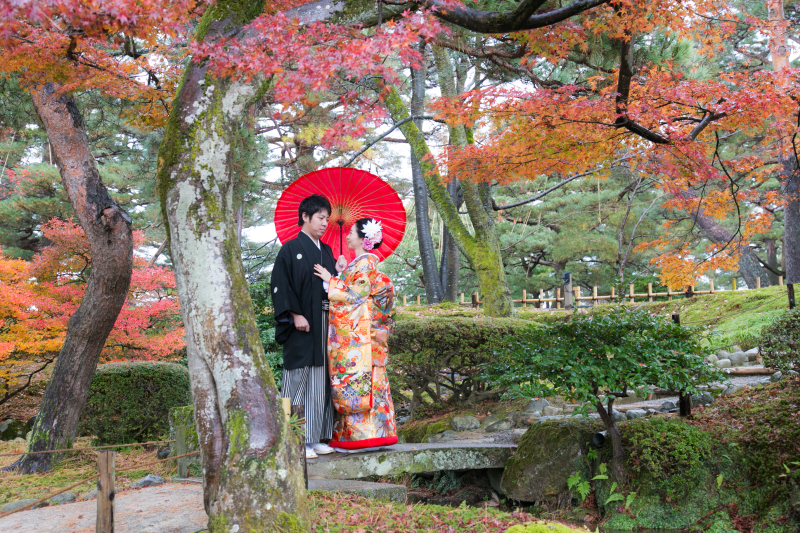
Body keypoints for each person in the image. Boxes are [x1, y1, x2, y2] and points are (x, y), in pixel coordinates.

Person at [313, 217, 398, 451]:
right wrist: (341, 273)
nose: (348, 236)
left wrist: (331, 280)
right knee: (370, 384)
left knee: (364, 384)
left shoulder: (364, 266)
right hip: (369, 338)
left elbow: (354, 298)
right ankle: (373, 433)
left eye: (351, 232)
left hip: (364, 340)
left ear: (363, 239)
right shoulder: (360, 266)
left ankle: (364, 437)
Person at [271, 194, 346, 459]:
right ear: (305, 216)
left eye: (327, 219)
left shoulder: (326, 251)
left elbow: (333, 288)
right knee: (298, 379)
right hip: (302, 325)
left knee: (321, 380)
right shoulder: (290, 249)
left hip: (325, 324)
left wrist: (338, 270)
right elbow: (281, 286)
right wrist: (294, 314)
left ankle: (315, 438)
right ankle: (295, 441)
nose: (325, 223)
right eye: (320, 218)